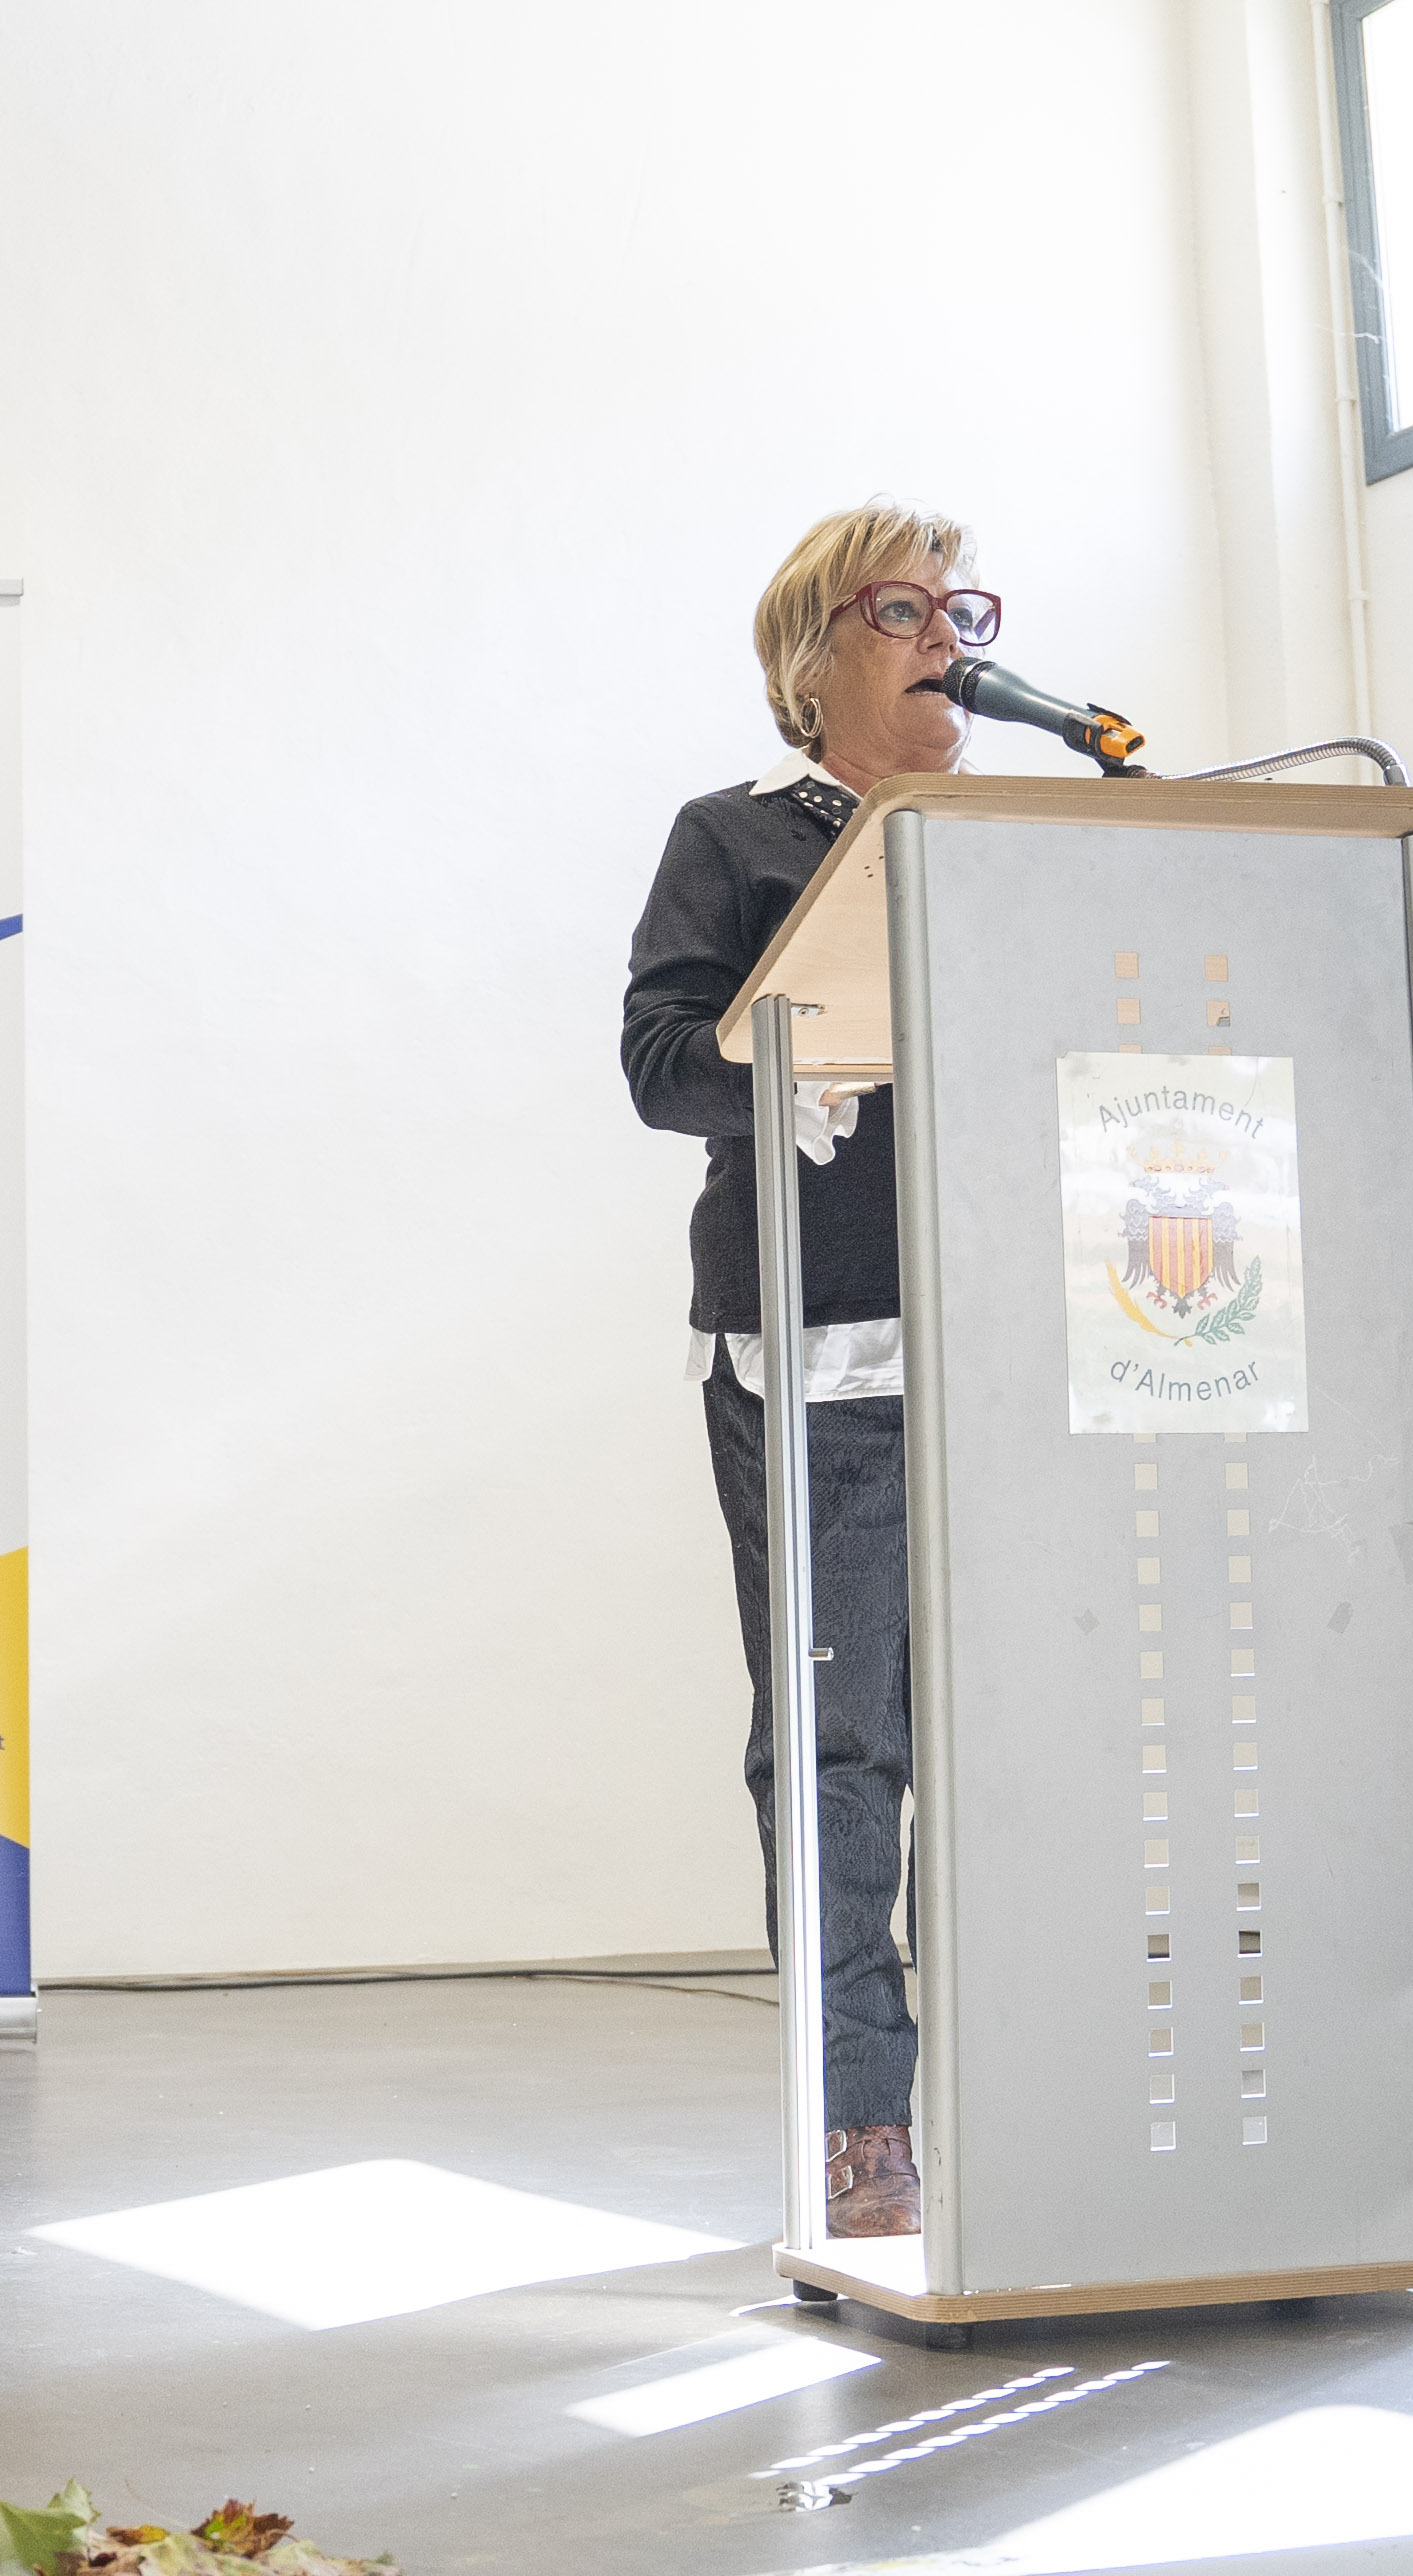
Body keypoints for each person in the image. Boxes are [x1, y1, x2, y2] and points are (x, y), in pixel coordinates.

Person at [619, 504, 991, 2242]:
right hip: (822, 1358)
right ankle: (860, 2120)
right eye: (906, 610)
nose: (949, 641)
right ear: (812, 653)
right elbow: (657, 1062)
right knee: (845, 1745)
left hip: (1010, 1357)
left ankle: (1028, 2090)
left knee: (1008, 1736)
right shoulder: (736, 837)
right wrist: (789, 1056)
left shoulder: (1002, 847)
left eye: (962, 611)